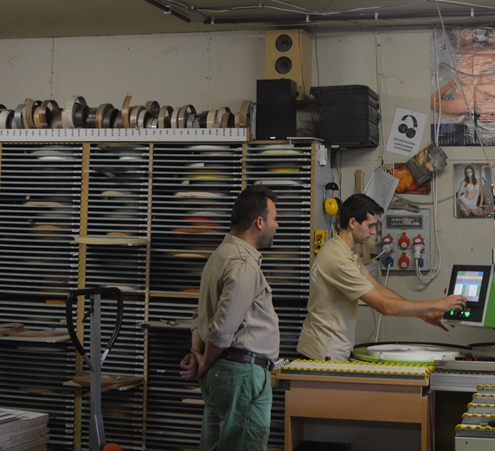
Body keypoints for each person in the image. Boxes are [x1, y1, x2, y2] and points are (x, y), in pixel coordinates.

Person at [296, 194, 468, 361]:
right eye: (370, 226)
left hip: (329, 351)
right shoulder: (339, 259)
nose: (373, 232)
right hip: (323, 353)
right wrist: (437, 304)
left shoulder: (345, 251)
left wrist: (425, 314)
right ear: (353, 223)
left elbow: (379, 289)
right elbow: (385, 306)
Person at [179, 185, 280, 451]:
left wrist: (197, 353)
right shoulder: (243, 263)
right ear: (259, 222)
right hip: (241, 376)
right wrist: (203, 363)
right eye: (274, 218)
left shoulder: (218, 256)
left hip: (223, 374)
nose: (277, 225)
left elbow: (200, 315)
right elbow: (223, 329)